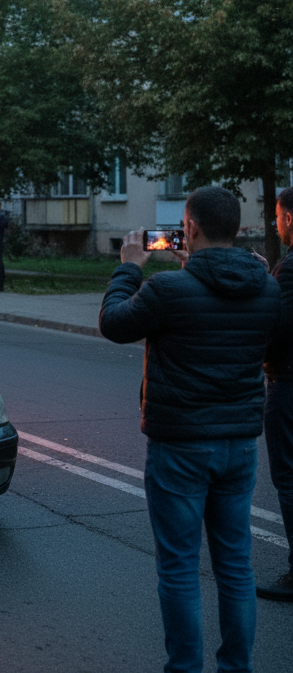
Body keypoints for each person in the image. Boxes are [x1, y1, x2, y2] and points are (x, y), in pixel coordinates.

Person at [99, 186, 281, 673]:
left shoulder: (166, 291)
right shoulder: (268, 286)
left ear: (190, 228)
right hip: (239, 445)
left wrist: (130, 266)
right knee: (236, 567)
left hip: (180, 445)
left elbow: (114, 323)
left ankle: (184, 668)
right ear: (238, 229)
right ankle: (235, 667)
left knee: (179, 567)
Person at [258, 186, 293, 601]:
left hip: (287, 385)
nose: (276, 224)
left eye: (279, 216)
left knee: (287, 478)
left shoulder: (291, 269)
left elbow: (278, 329)